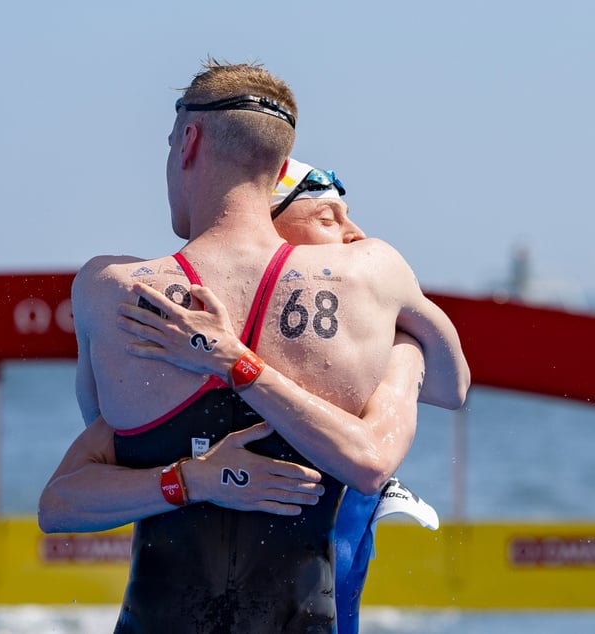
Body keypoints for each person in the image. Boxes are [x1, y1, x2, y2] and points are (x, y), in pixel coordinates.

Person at [40, 60, 466, 632]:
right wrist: (402, 351)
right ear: (278, 161)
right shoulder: (371, 273)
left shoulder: (112, 289)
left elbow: (102, 440)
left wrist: (189, 467)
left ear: (188, 141)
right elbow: (453, 383)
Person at [116, 157, 450, 633]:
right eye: (328, 217)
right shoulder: (172, 336)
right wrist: (188, 481)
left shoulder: (379, 334)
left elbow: (451, 389)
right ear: (264, 224)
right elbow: (63, 499)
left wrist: (407, 342)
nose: (357, 234)